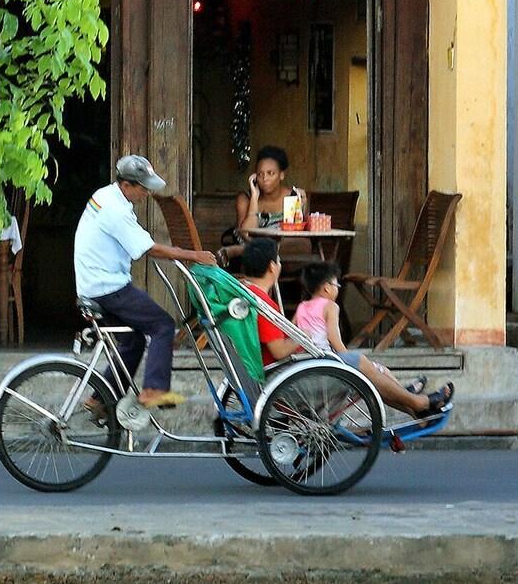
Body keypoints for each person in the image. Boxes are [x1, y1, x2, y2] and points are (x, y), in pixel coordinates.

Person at [239, 241, 450, 418]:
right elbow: (278, 350)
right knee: (360, 362)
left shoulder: (250, 296)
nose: (279, 264)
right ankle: (418, 402)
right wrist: (302, 337)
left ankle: (414, 408)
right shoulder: (262, 304)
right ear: (271, 267)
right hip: (291, 379)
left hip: (284, 372)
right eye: (278, 260)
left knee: (362, 366)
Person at [73, 154, 216, 409]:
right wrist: (194, 255)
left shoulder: (105, 195)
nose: (146, 193)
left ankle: (100, 399)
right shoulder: (115, 210)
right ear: (126, 185)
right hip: (107, 287)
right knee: (163, 325)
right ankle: (154, 390)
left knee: (133, 340)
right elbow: (148, 248)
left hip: (95, 283)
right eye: (143, 188)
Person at [225, 145, 305, 260]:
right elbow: (245, 234)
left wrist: (303, 204)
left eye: (270, 173)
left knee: (303, 245)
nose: (265, 179)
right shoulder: (245, 199)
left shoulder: (293, 197)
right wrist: (254, 197)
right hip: (252, 251)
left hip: (283, 250)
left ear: (281, 175)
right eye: (260, 174)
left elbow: (300, 231)